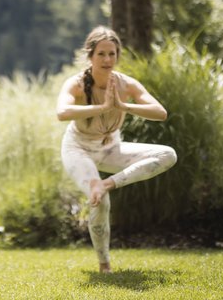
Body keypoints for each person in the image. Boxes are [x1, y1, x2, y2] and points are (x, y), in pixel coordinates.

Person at [56, 26, 176, 274]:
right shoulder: (77, 84)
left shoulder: (126, 84)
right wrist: (101, 108)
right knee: (100, 201)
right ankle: (104, 264)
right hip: (79, 149)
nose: (107, 60)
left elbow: (160, 113)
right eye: (101, 54)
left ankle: (108, 183)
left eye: (112, 54)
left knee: (168, 154)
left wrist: (123, 105)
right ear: (90, 56)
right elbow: (62, 113)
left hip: (111, 149)